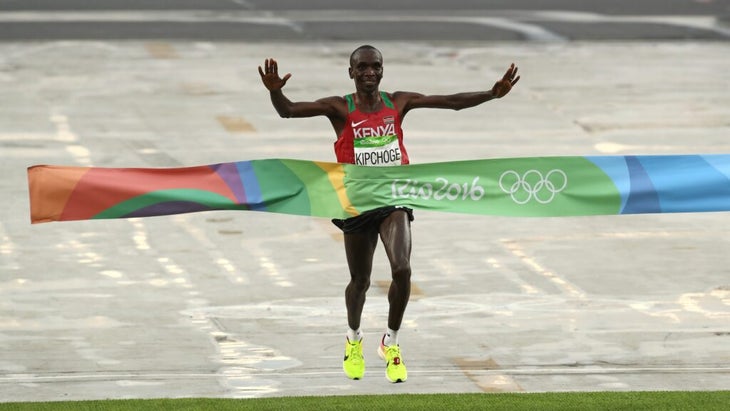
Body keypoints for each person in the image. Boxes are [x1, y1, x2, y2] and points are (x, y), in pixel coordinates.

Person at [258, 45, 519, 383]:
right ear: (351, 73)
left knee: (403, 269)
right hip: (356, 202)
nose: (369, 72)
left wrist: (490, 94)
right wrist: (276, 93)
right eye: (362, 67)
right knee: (361, 282)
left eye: (375, 66)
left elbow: (450, 102)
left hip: (395, 196)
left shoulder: (398, 102)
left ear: (383, 70)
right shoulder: (340, 108)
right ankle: (354, 338)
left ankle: (391, 342)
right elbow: (289, 111)